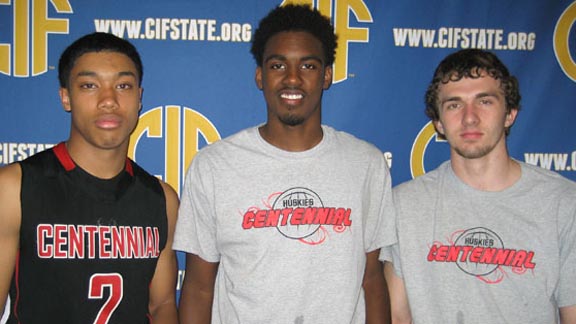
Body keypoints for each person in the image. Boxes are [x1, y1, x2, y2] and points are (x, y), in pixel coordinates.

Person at [173, 4, 395, 324]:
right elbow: (198, 288)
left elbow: (373, 281)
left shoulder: (366, 165)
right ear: (260, 76)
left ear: (327, 75)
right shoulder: (214, 166)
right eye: (278, 65)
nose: (292, 79)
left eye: (308, 66)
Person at [381, 49, 576, 323]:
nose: (469, 117)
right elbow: (397, 317)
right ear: (438, 122)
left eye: (484, 101)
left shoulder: (564, 204)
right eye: (454, 105)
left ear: (510, 114)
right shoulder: (405, 206)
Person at [0, 32, 179, 323]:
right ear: (66, 97)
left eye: (123, 85)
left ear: (139, 98)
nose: (108, 100)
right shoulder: (13, 187)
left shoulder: (162, 199)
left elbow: (162, 306)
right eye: (89, 85)